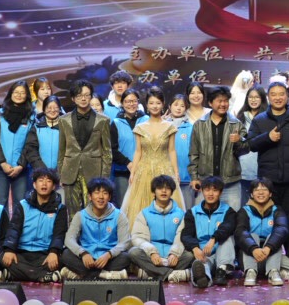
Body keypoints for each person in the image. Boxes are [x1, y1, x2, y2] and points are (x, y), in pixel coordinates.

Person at [242, 81, 289, 213]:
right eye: (273, 94)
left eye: (281, 94)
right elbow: (250, 144)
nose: (278, 98)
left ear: (287, 96)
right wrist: (267, 137)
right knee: (268, 216)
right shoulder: (259, 120)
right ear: (268, 97)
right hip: (267, 181)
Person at [0, 167, 69, 282]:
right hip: (22, 253)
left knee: (61, 259)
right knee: (2, 257)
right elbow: (14, 229)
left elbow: (59, 234)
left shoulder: (60, 208)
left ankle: (14, 275)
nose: (44, 184)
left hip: (45, 253)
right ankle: (42, 276)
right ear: (34, 184)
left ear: (53, 186)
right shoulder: (23, 205)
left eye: (48, 181)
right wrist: (9, 249)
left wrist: (53, 252)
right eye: (40, 180)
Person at [125, 90, 184, 223]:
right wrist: (132, 173)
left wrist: (176, 172)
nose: (155, 106)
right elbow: (138, 152)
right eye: (151, 103)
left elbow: (172, 151)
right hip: (143, 171)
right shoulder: (140, 127)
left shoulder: (169, 127)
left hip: (165, 170)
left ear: (163, 104)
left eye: (158, 103)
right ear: (146, 105)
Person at [58, 79, 116, 215]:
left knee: (94, 211)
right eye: (79, 96)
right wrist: (61, 174)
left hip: (94, 172)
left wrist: (104, 178)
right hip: (70, 171)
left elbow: (107, 152)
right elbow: (62, 149)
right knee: (72, 212)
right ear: (73, 98)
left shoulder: (103, 120)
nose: (83, 99)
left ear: (91, 96)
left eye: (86, 95)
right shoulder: (63, 120)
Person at [60, 176, 135, 280]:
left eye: (105, 193)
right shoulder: (80, 215)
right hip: (86, 259)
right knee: (65, 254)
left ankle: (82, 275)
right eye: (96, 192)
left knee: (126, 257)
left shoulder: (119, 215)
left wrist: (109, 254)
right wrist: (83, 253)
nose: (101, 197)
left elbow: (125, 242)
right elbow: (69, 239)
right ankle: (104, 275)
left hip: (109, 259)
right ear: (90, 196)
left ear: (109, 197)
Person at [127, 174, 193, 283]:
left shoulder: (181, 214)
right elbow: (138, 237)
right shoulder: (144, 213)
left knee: (189, 255)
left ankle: (151, 273)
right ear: (154, 192)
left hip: (172, 256)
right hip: (152, 256)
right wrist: (152, 252)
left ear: (172, 192)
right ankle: (172, 275)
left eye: (167, 188)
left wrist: (174, 253)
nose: (164, 191)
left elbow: (181, 236)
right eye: (160, 188)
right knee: (133, 253)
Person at [188, 86, 245, 210]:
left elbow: (246, 149)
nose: (223, 104)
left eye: (226, 101)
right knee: (203, 218)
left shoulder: (236, 124)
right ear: (210, 103)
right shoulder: (199, 125)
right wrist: (194, 177)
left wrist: (239, 141)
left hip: (230, 184)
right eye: (219, 101)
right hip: (205, 182)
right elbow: (193, 153)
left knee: (232, 217)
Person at [181, 175, 239, 287]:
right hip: (203, 252)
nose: (210, 194)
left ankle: (221, 270)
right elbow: (186, 234)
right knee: (202, 264)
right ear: (202, 191)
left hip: (221, 251)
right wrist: (195, 248)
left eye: (215, 190)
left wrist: (213, 239)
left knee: (227, 238)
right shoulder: (193, 212)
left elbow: (227, 227)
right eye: (207, 190)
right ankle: (204, 278)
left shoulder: (228, 211)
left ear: (220, 192)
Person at [0, 80, 37, 214]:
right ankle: (3, 229)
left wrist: (21, 165)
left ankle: (18, 229)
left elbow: (30, 144)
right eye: (16, 92)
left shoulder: (31, 116)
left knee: (21, 205)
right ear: (10, 94)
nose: (19, 95)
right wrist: (3, 163)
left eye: (22, 93)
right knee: (0, 204)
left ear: (27, 95)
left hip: (21, 168)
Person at [238, 179, 289, 286]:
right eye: (257, 190)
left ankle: (273, 272)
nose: (260, 192)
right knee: (252, 235)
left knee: (275, 238)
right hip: (250, 257)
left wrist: (268, 247)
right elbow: (240, 232)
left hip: (270, 255)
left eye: (264, 189)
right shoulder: (244, 211)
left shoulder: (277, 210)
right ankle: (250, 272)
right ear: (251, 194)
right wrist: (253, 249)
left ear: (270, 194)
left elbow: (282, 229)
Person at [25, 94, 65, 179]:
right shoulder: (36, 127)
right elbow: (31, 151)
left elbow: (69, 151)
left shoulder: (66, 128)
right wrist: (43, 170)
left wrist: (60, 171)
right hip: (39, 174)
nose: (52, 110)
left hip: (62, 175)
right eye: (49, 107)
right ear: (44, 109)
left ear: (60, 109)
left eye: (55, 107)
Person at [166, 95, 195, 187]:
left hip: (186, 176)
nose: (178, 108)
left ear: (186, 109)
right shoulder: (163, 126)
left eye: (182, 106)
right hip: (166, 176)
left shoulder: (191, 128)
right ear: (169, 106)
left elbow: (194, 152)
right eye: (176, 105)